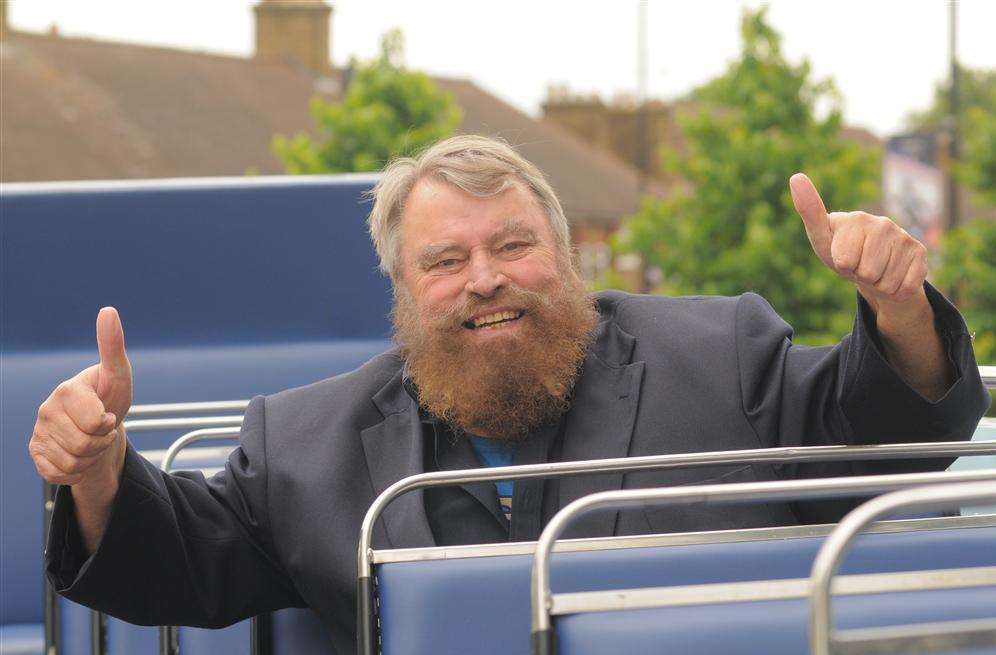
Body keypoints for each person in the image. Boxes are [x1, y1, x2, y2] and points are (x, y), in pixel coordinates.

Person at [30, 136, 990, 651]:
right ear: (403, 294)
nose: (485, 278)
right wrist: (102, 468)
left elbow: (880, 431)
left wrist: (898, 309)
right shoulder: (303, 443)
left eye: (513, 246)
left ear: (567, 259)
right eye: (445, 260)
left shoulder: (720, 352)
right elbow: (182, 559)